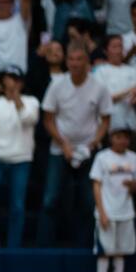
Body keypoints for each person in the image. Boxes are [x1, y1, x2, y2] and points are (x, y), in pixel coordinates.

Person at [39, 42, 112, 246]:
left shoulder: (99, 87)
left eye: (80, 59)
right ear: (66, 62)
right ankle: (45, 247)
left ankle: (85, 246)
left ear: (88, 63)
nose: (75, 63)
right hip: (59, 147)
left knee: (88, 201)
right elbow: (48, 119)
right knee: (50, 199)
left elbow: (105, 119)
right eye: (71, 59)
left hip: (88, 150)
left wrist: (93, 143)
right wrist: (63, 144)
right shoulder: (57, 84)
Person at [0, 67, 39, 247]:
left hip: (21, 159)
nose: (9, 83)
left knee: (17, 205)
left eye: (14, 79)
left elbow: (29, 119)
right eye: (6, 79)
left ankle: (14, 245)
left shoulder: (30, 101)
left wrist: (16, 97)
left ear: (21, 83)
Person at [90, 127, 136, 272]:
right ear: (111, 138)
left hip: (126, 212)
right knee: (104, 253)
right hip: (107, 212)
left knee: (121, 252)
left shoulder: (134, 158)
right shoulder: (102, 157)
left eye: (125, 138)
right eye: (118, 137)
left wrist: (132, 185)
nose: (122, 141)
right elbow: (96, 185)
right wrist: (102, 212)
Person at [94, 34, 136, 132]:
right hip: (108, 126)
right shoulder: (100, 71)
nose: (118, 51)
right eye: (114, 47)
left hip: (130, 124)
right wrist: (128, 91)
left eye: (120, 46)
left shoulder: (132, 70)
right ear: (106, 51)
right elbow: (104, 99)